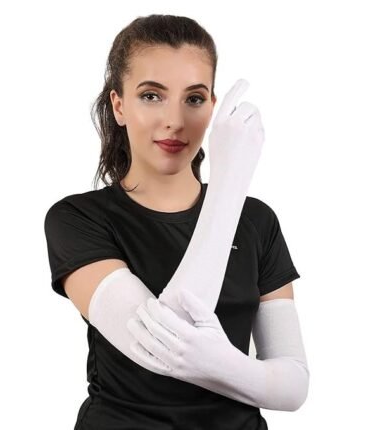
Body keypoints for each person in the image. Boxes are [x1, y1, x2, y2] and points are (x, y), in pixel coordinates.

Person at [44, 14, 309, 430]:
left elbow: (293, 387)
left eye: (194, 99)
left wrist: (221, 362)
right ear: (119, 105)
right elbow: (159, 346)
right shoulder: (78, 219)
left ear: (213, 108)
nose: (175, 120)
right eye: (152, 96)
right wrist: (230, 181)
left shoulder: (257, 220)